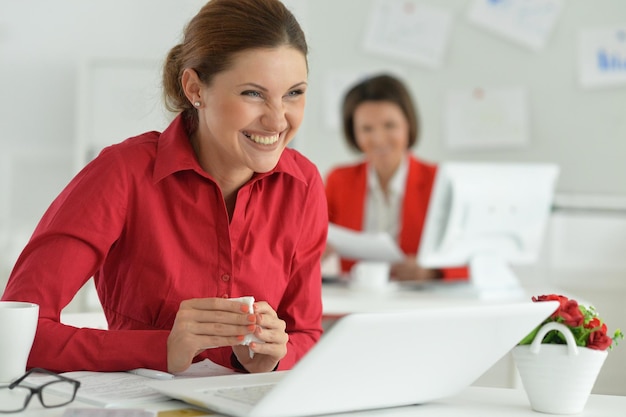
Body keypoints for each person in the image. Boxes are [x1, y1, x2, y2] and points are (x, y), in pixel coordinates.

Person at [1, 0, 327, 375]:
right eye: (253, 93)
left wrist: (275, 354)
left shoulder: (303, 185)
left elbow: (306, 332)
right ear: (195, 89)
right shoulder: (122, 173)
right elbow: (16, 335)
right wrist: (162, 348)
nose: (277, 119)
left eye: (294, 93)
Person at [325, 74, 467, 282]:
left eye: (389, 125)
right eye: (367, 129)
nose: (378, 139)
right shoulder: (339, 180)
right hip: (358, 300)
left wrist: (432, 272)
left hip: (419, 304)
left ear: (408, 124)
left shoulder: (440, 181)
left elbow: (473, 257)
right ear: (353, 132)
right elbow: (311, 240)